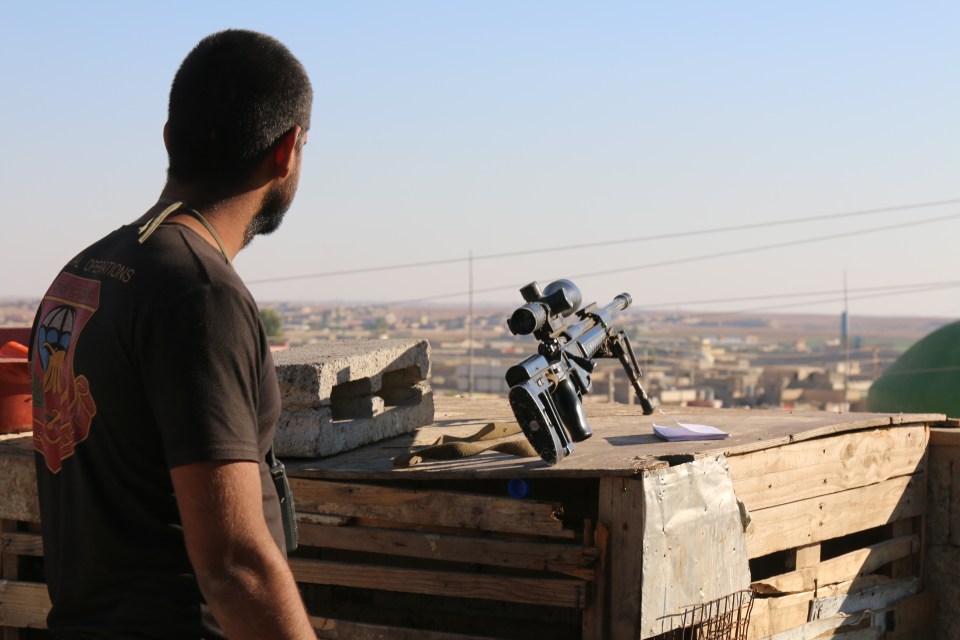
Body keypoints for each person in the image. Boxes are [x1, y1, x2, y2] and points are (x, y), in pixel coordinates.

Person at [29, 30, 316, 639]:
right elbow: (234, 565)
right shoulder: (199, 295)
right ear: (287, 150)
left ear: (169, 140)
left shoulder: (83, 272)